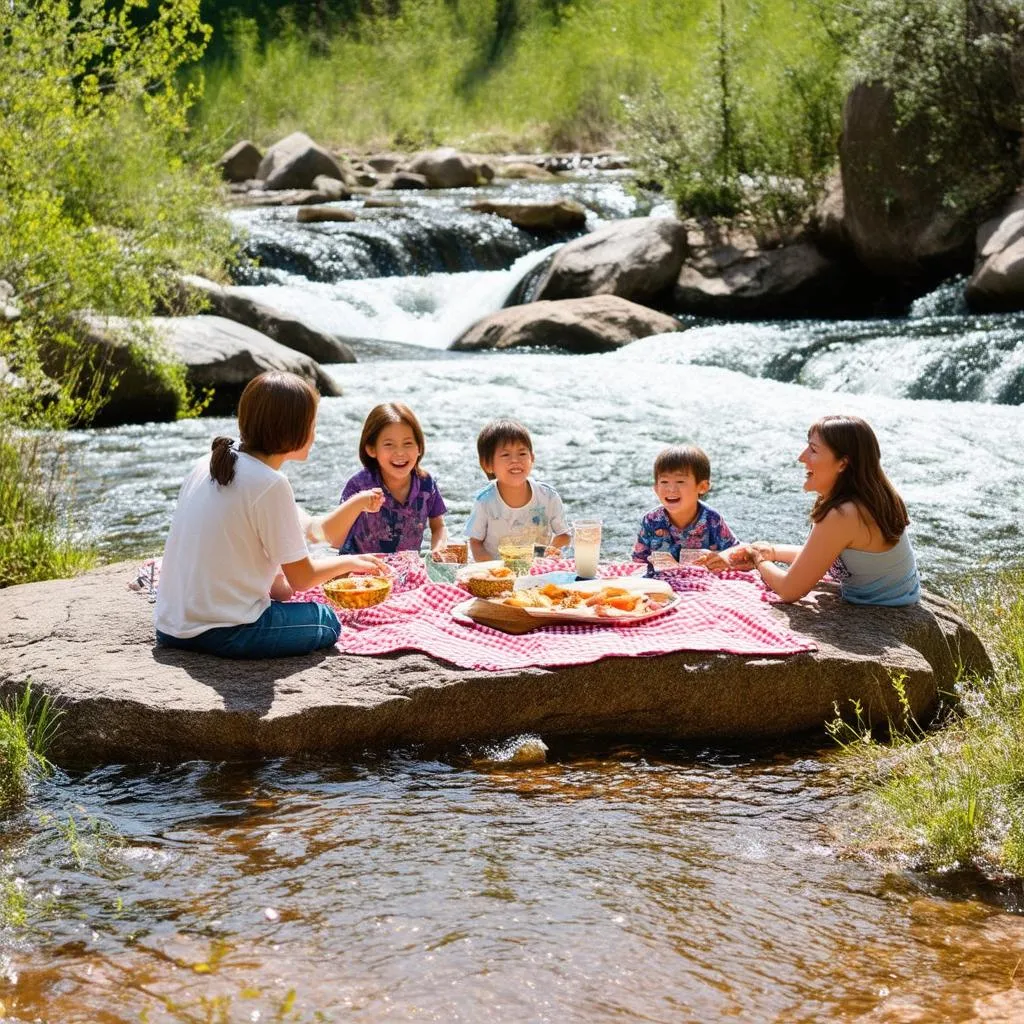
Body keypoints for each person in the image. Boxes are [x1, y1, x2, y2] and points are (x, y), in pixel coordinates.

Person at [155, 371, 387, 659]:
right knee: (326, 620)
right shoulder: (270, 484)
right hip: (226, 631)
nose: (316, 433)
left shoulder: (209, 463)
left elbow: (278, 563)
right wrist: (348, 562)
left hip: (169, 627)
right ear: (293, 429)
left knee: (289, 601)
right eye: (313, 423)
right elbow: (302, 578)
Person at [715, 415, 921, 606]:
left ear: (843, 463)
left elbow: (789, 590)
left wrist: (757, 560)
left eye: (813, 450)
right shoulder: (873, 495)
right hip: (903, 596)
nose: (801, 457)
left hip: (882, 611)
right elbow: (822, 553)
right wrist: (772, 551)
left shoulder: (843, 514)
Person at [337, 402, 448, 557]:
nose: (400, 453)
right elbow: (336, 536)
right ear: (371, 449)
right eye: (389, 444)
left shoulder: (426, 484)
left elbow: (439, 527)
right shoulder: (359, 486)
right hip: (360, 573)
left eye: (408, 443)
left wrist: (438, 549)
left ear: (419, 447)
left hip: (407, 571)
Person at [466, 418, 570, 562]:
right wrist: (493, 572)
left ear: (532, 458)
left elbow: (564, 535)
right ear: (488, 464)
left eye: (522, 454)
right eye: (505, 455)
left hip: (537, 570)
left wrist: (546, 556)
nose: (515, 460)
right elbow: (475, 543)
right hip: (498, 574)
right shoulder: (485, 502)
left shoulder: (548, 497)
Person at [632, 444, 739, 574]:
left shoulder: (712, 519)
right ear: (655, 488)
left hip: (702, 582)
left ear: (702, 487)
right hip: (663, 581)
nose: (671, 489)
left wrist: (721, 557)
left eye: (680, 482)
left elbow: (735, 551)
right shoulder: (651, 520)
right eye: (664, 482)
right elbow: (638, 562)